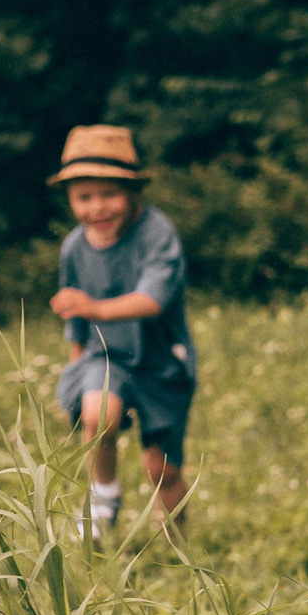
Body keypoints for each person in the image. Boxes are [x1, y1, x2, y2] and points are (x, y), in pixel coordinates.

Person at [47, 125, 195, 534]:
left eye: (109, 194)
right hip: (105, 356)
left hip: (160, 361)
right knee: (98, 414)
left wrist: (96, 307)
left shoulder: (155, 233)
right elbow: (76, 320)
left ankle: (180, 540)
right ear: (70, 199)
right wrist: (75, 372)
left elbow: (153, 299)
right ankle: (104, 493)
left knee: (161, 469)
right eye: (84, 197)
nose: (98, 208)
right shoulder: (74, 248)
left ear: (132, 192)